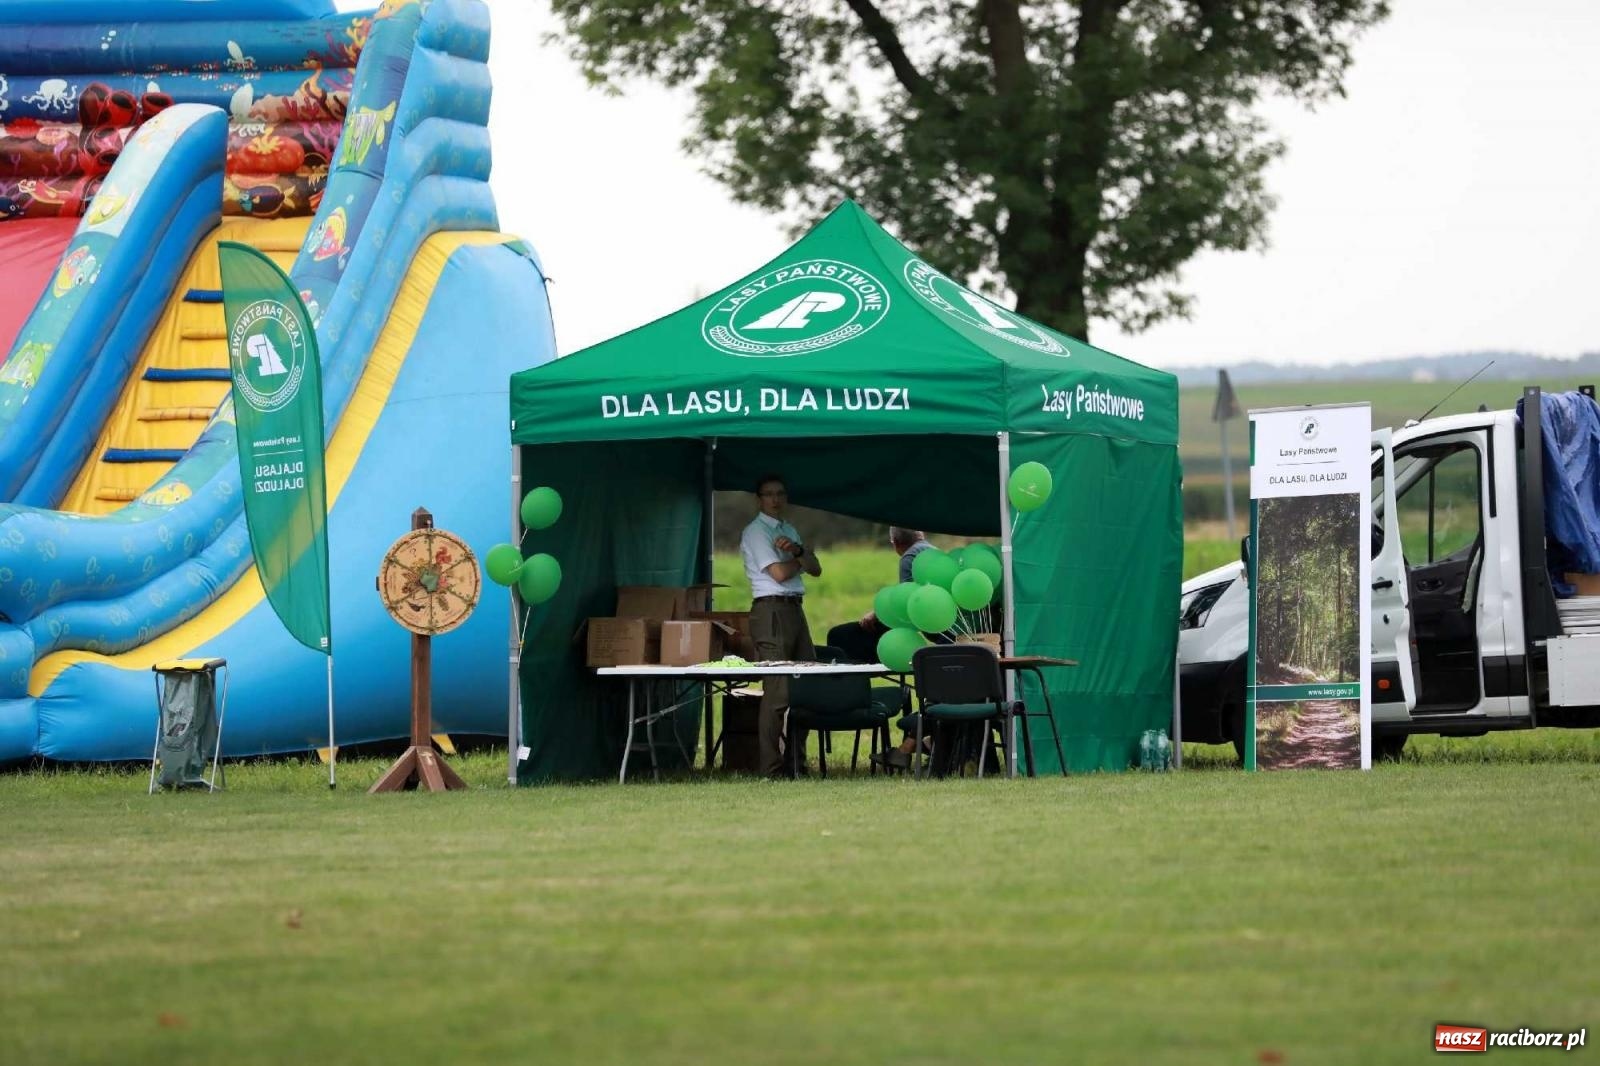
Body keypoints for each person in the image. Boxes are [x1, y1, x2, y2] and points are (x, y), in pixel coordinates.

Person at [740, 474, 821, 777]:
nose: (775, 499)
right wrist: (801, 556)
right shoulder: (756, 532)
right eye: (768, 494)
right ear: (758, 499)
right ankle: (771, 768)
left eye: (780, 493)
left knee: (806, 686)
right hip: (771, 609)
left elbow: (817, 568)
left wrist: (800, 554)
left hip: (794, 609)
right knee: (777, 694)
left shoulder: (789, 529)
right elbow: (777, 573)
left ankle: (796, 762)